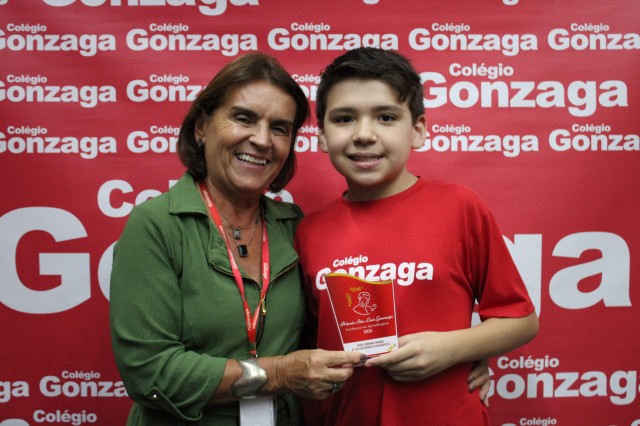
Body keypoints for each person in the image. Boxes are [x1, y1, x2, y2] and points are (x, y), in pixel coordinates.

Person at [109, 52, 364, 426]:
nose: (261, 140)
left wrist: (448, 355)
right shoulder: (157, 224)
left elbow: (341, 329)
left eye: (279, 128)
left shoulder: (294, 227)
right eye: (244, 118)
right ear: (202, 126)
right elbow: (149, 374)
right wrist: (279, 373)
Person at [294, 47, 539, 425]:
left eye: (386, 117)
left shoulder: (460, 208)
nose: (363, 134)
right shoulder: (309, 232)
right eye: (344, 119)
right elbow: (306, 346)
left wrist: (453, 348)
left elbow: (521, 320)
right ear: (322, 136)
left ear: (418, 130)